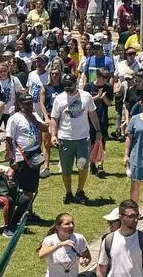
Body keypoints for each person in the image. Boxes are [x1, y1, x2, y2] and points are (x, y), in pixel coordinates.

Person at [49, 72, 101, 205]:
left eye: (69, 85)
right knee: (66, 170)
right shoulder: (59, 99)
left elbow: (93, 114)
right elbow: (54, 118)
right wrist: (53, 135)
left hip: (83, 138)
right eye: (65, 85)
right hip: (65, 138)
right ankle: (68, 193)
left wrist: (98, 130)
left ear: (76, 83)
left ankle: (80, 191)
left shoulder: (86, 96)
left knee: (83, 166)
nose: (67, 88)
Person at [97, 199, 143, 277]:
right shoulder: (108, 240)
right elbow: (101, 270)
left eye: (137, 215)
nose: (135, 220)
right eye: (131, 216)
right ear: (121, 217)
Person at [37, 212, 91, 277]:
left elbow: (87, 256)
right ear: (58, 227)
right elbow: (42, 255)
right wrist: (60, 245)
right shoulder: (50, 240)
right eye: (67, 224)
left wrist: (85, 261)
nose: (71, 226)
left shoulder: (79, 238)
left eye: (72, 223)